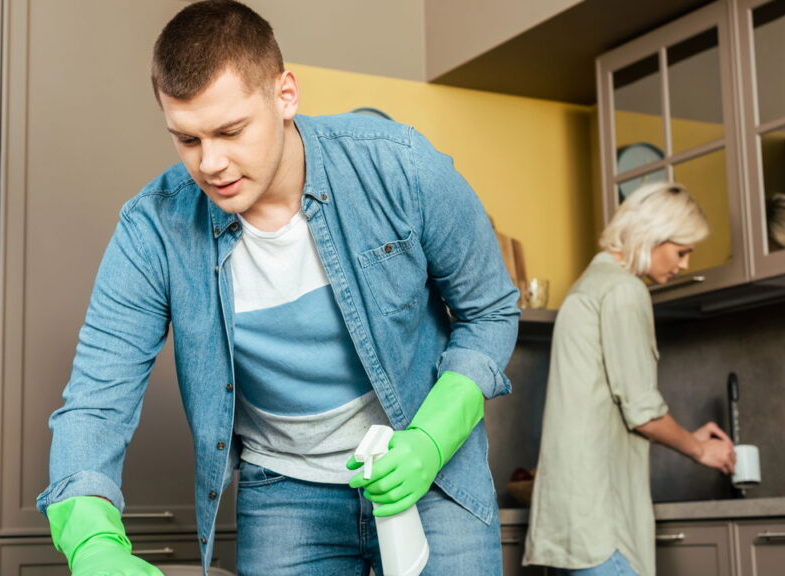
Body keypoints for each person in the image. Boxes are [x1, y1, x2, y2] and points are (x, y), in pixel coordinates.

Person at [35, 1, 520, 575]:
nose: (211, 163)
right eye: (186, 140)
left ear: (285, 94)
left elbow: (489, 311)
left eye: (230, 131)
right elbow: (97, 397)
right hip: (285, 492)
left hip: (431, 473)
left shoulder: (402, 167)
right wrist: (91, 541)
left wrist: (432, 441)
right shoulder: (153, 230)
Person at [523, 182, 736, 576]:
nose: (685, 264)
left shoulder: (588, 286)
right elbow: (643, 413)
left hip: (573, 525)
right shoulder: (624, 291)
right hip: (605, 527)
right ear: (651, 235)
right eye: (681, 251)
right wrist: (700, 450)